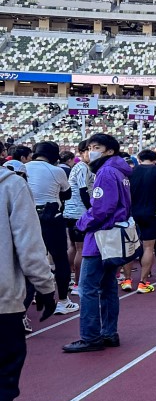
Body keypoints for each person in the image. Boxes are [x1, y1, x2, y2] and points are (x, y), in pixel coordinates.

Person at [64, 134, 134, 353]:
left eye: (96, 147)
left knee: (88, 288)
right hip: (113, 236)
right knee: (108, 287)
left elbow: (101, 208)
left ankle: (90, 336)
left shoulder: (105, 172)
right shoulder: (120, 171)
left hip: (100, 237)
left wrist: (82, 223)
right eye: (89, 147)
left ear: (109, 151)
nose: (90, 152)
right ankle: (109, 333)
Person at [0, 157, 56, 401]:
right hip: (3, 303)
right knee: (4, 378)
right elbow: (29, 246)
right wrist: (46, 287)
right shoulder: (11, 185)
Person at [24, 142, 77, 315]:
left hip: (27, 218)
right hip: (51, 217)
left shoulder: (24, 168)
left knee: (29, 260)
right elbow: (67, 194)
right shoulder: (56, 170)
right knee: (60, 259)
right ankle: (63, 301)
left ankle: (30, 299)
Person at [129, 149, 156, 293]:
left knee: (130, 246)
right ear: (154, 159)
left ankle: (127, 279)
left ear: (139, 159)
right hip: (152, 213)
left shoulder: (131, 172)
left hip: (132, 213)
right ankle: (143, 282)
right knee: (148, 247)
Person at [64, 141, 93, 292]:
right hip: (78, 213)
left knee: (73, 247)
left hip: (71, 212)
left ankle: (70, 279)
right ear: (81, 153)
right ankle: (77, 283)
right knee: (81, 249)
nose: (92, 153)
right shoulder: (82, 167)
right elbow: (83, 191)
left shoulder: (79, 167)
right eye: (89, 150)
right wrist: (91, 210)